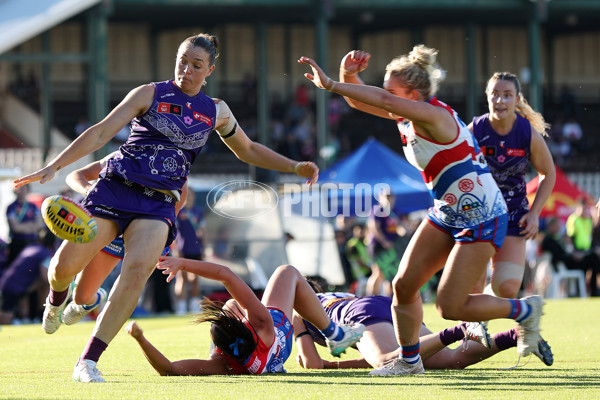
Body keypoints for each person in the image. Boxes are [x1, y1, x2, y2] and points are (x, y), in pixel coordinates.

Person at [13, 33, 319, 383]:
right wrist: (54, 166)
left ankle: (89, 360)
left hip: (158, 203)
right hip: (115, 189)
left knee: (137, 272)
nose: (186, 70)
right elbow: (100, 133)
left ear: (210, 71)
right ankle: (56, 299)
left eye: (196, 65)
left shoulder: (216, 111)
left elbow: (247, 150)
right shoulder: (149, 93)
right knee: (61, 268)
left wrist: (294, 166)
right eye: (182, 61)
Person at [299, 45, 544, 375]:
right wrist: (347, 76)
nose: (383, 94)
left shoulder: (433, 115)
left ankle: (524, 310)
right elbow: (360, 100)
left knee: (449, 306)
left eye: (391, 89)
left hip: (481, 214)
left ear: (412, 94)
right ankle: (409, 361)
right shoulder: (407, 113)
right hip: (448, 210)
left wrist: (331, 84)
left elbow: (381, 100)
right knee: (403, 285)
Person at [126, 262, 365, 375]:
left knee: (231, 304)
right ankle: (335, 334)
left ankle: (330, 330)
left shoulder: (223, 364)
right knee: (286, 272)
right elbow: (225, 274)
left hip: (272, 359)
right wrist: (183, 264)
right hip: (278, 333)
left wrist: (140, 339)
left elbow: (169, 370)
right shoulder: (262, 323)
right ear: (247, 326)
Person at [293, 291, 554, 370]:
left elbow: (313, 364)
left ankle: (462, 329)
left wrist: (332, 366)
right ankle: (516, 336)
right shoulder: (329, 294)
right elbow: (372, 347)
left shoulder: (298, 307)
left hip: (358, 315)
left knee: (387, 363)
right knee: (452, 361)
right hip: (379, 304)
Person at [469, 72, 556, 298]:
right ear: (487, 96)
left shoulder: (527, 133)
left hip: (514, 214)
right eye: (495, 94)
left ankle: (488, 308)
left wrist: (535, 213)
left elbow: (548, 173)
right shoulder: (475, 130)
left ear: (517, 99)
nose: (500, 101)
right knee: (472, 284)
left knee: (505, 288)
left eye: (507, 95)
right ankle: (471, 331)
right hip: (479, 214)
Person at [0, 228, 56, 325]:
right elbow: (45, 278)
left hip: (8, 282)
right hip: (14, 287)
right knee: (6, 316)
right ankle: (40, 316)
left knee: (9, 310)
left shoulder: (31, 247)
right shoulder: (44, 253)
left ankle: (30, 317)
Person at [542, 217, 599, 296]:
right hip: (565, 265)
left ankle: (587, 290)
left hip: (568, 262)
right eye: (558, 225)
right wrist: (573, 256)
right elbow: (558, 256)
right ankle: (592, 291)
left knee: (593, 258)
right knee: (593, 259)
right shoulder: (549, 240)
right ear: (551, 227)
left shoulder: (556, 238)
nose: (560, 227)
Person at [173, 188, 205, 315]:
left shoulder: (198, 212)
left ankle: (194, 304)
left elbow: (203, 231)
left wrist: (203, 247)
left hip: (196, 250)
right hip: (183, 249)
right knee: (182, 278)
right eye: (187, 195)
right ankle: (181, 306)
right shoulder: (179, 212)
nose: (189, 197)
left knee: (195, 279)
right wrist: (176, 249)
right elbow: (174, 233)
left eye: (191, 195)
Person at [5, 185, 44, 264]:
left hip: (32, 242)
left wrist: (22, 226)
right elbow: (15, 228)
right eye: (20, 188)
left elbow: (39, 225)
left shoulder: (33, 206)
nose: (22, 191)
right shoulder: (11, 207)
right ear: (15, 190)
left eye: (25, 188)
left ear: (28, 190)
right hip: (17, 243)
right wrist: (31, 225)